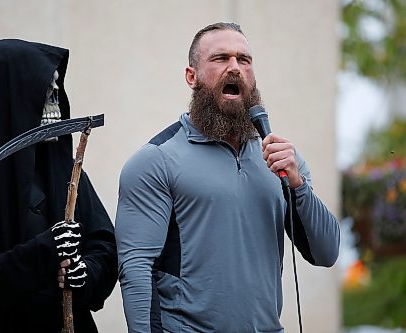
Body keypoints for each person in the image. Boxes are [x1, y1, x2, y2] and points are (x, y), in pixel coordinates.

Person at [115, 22, 340, 332]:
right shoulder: (156, 160)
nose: (235, 67)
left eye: (244, 59)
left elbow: (326, 253)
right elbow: (137, 272)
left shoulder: (282, 159)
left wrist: (298, 185)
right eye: (221, 58)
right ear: (191, 77)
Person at [0, 39, 117, 333]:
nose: (56, 100)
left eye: (57, 90)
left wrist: (86, 275)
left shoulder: (66, 171)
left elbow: (104, 246)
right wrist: (44, 251)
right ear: (9, 98)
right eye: (45, 91)